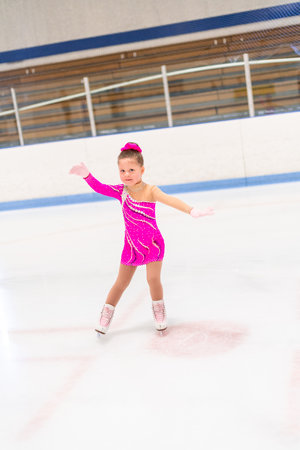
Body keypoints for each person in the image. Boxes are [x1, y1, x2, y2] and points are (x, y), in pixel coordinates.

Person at [69, 142, 214, 335]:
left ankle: (159, 310)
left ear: (142, 169)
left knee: (153, 279)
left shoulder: (150, 191)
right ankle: (106, 314)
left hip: (153, 243)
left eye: (131, 169)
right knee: (121, 283)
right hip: (131, 246)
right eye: (122, 170)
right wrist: (87, 175)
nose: (126, 174)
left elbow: (171, 200)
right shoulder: (121, 191)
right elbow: (100, 188)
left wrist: (192, 210)